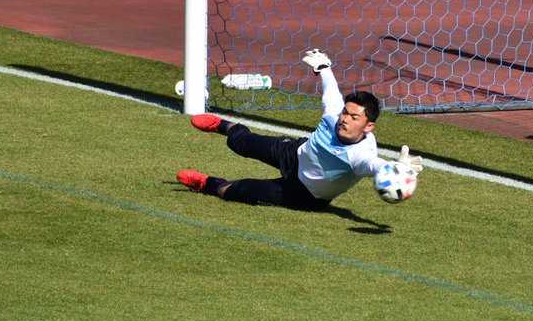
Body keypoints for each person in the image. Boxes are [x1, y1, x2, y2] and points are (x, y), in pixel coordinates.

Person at [176, 49, 422, 209]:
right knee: (240, 143)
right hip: (295, 152)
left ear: (369, 126)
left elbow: (375, 165)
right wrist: (323, 67)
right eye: (346, 112)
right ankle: (224, 125)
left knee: (230, 191)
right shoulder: (334, 114)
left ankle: (207, 183)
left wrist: (397, 169)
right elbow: (331, 90)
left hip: (303, 194)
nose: (345, 119)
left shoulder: (361, 155)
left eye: (353, 117)